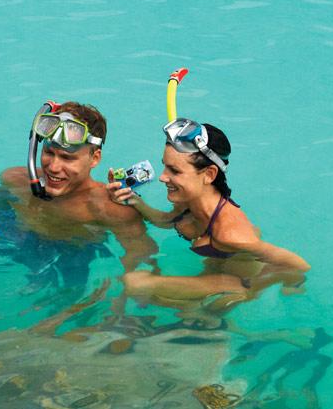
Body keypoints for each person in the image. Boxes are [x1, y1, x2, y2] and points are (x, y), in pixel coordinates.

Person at [105, 119, 309, 316]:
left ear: (209, 175)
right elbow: (166, 221)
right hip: (215, 270)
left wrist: (258, 288)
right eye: (165, 166)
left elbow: (299, 265)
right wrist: (132, 200)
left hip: (238, 282)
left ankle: (234, 292)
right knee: (180, 309)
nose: (162, 177)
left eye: (174, 170)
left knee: (135, 283)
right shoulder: (188, 201)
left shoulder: (232, 234)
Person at [0, 102, 156, 277]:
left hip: (72, 256)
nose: (54, 167)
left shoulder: (110, 210)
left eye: (67, 158)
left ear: (94, 159)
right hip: (18, 244)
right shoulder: (15, 181)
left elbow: (144, 256)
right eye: (49, 153)